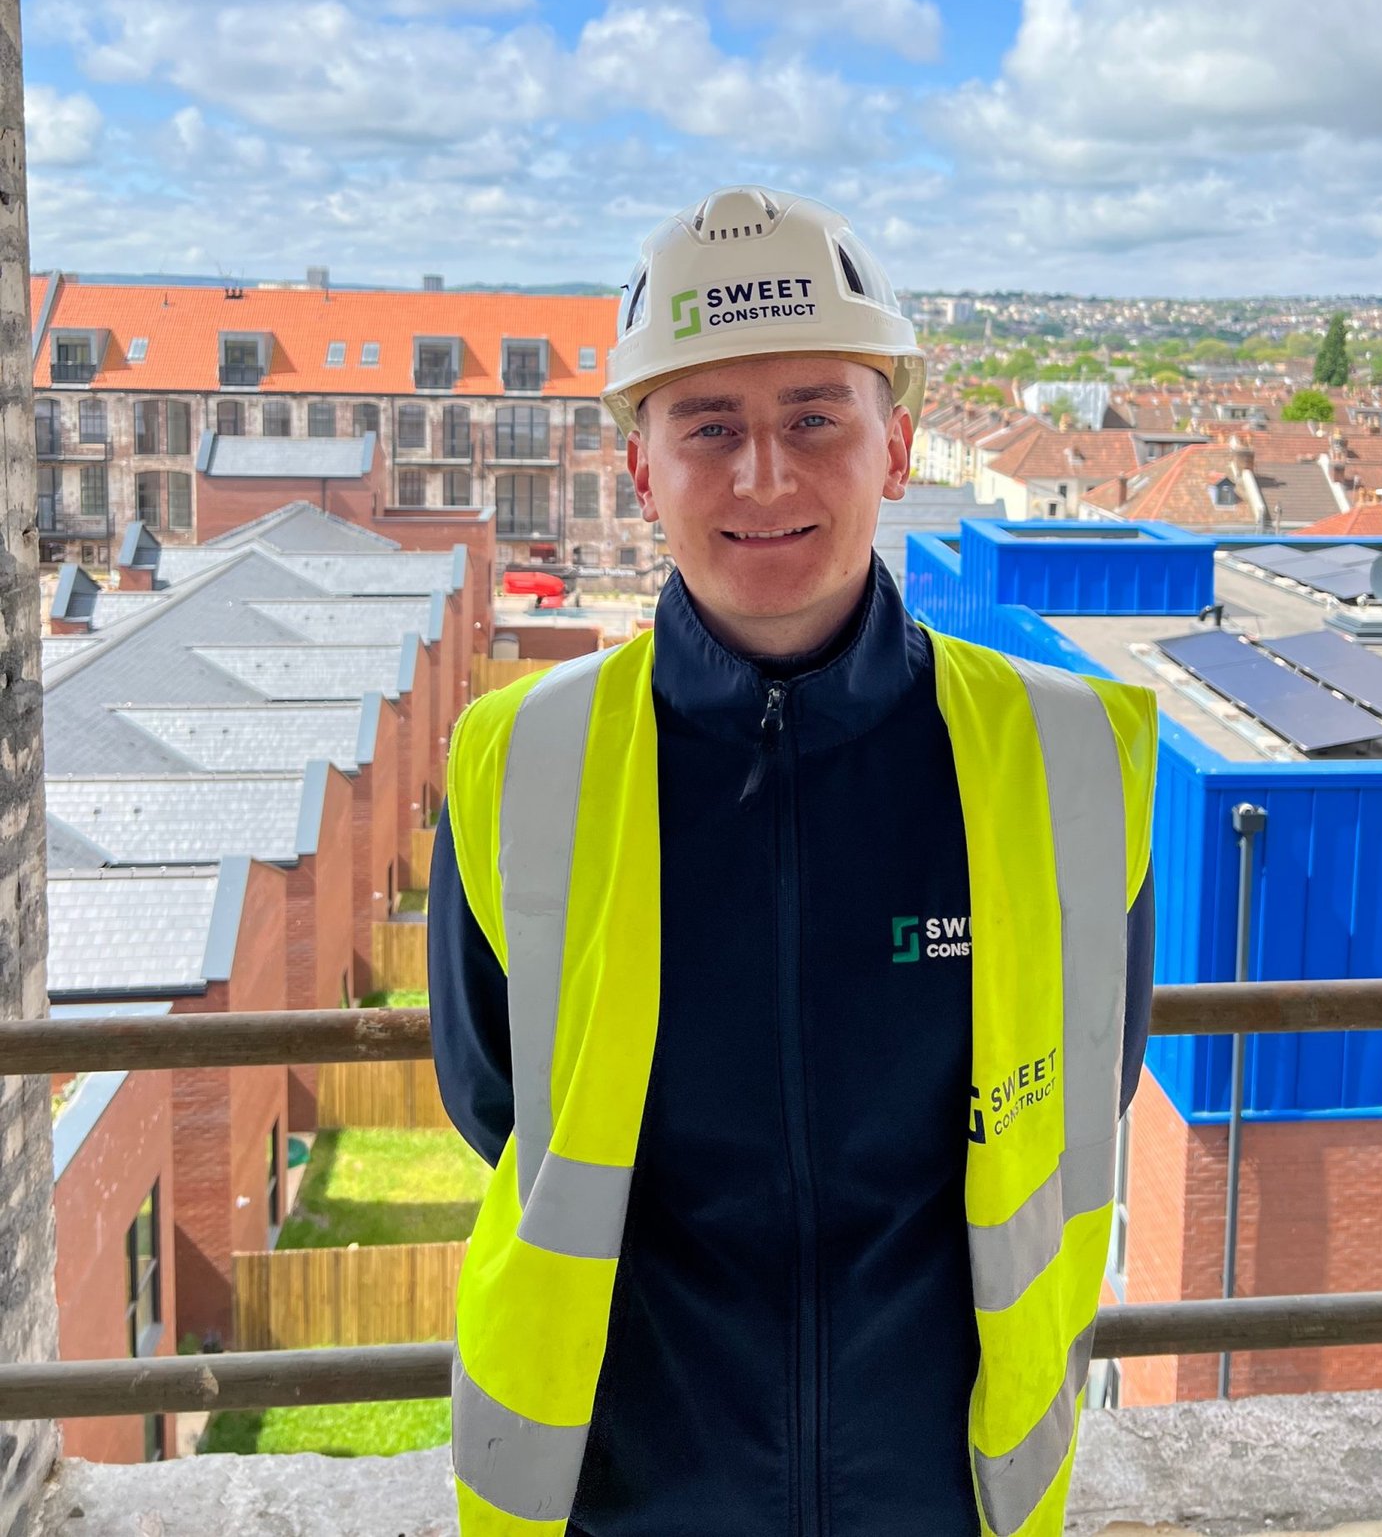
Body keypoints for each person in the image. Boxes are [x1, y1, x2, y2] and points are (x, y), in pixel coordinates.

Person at [428, 185, 1157, 1537]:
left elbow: (1080, 1089)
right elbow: (496, 1106)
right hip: (626, 1507)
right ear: (640, 466)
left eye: (815, 416)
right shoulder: (518, 762)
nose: (765, 473)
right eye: (710, 424)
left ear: (898, 446)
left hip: (944, 1501)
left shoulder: (1062, 763)